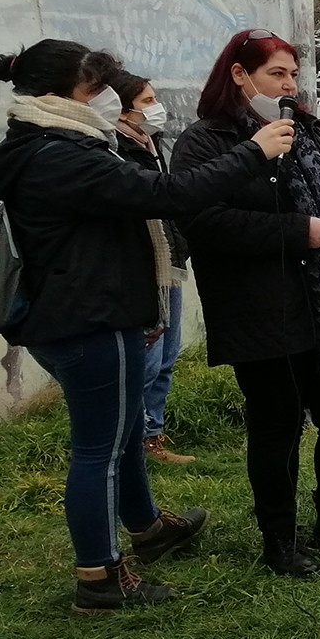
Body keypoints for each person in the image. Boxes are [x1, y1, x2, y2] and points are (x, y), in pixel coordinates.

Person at [0, 38, 290, 611]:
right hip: (89, 320)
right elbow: (168, 193)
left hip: (89, 312)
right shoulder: (58, 155)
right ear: (62, 94)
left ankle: (149, 529)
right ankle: (100, 577)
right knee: (99, 448)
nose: (112, 97)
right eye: (97, 88)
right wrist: (253, 153)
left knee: (124, 431)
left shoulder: (45, 143)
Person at [172, 30, 320, 578]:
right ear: (239, 76)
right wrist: (293, 232)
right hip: (266, 311)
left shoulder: (316, 132)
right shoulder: (207, 141)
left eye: (291, 75)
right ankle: (279, 538)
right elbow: (201, 222)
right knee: (277, 426)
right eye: (275, 75)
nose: (288, 85)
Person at [110, 70, 194, 464]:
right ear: (122, 108)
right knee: (148, 360)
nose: (156, 108)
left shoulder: (150, 143)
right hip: (145, 272)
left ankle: (152, 436)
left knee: (167, 357)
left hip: (169, 265)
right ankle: (133, 442)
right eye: (146, 101)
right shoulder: (113, 151)